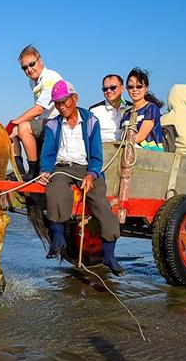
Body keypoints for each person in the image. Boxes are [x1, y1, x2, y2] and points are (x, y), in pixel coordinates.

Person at [36, 80, 125, 276]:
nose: (61, 107)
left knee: (100, 201)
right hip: (62, 167)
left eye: (64, 102)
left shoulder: (91, 121)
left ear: (74, 98)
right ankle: (58, 238)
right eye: (57, 104)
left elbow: (97, 155)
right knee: (56, 189)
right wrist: (45, 172)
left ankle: (109, 255)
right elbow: (49, 154)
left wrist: (92, 174)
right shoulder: (53, 124)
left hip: (87, 168)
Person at [5, 45, 63, 180]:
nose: (29, 69)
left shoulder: (51, 77)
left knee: (22, 127)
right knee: (13, 134)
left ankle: (33, 171)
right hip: (44, 121)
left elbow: (39, 109)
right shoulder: (32, 82)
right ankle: (20, 172)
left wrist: (14, 122)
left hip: (57, 122)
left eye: (31, 64)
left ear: (40, 60)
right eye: (24, 67)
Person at [120, 67, 165, 152]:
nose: (135, 89)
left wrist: (121, 146)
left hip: (151, 155)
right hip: (129, 153)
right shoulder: (126, 113)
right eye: (131, 87)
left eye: (139, 86)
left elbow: (141, 136)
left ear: (146, 88)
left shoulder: (151, 108)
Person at [89, 74, 132, 142]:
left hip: (126, 148)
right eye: (105, 89)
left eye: (113, 87)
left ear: (122, 88)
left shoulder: (131, 108)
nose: (108, 91)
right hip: (102, 149)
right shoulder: (94, 110)